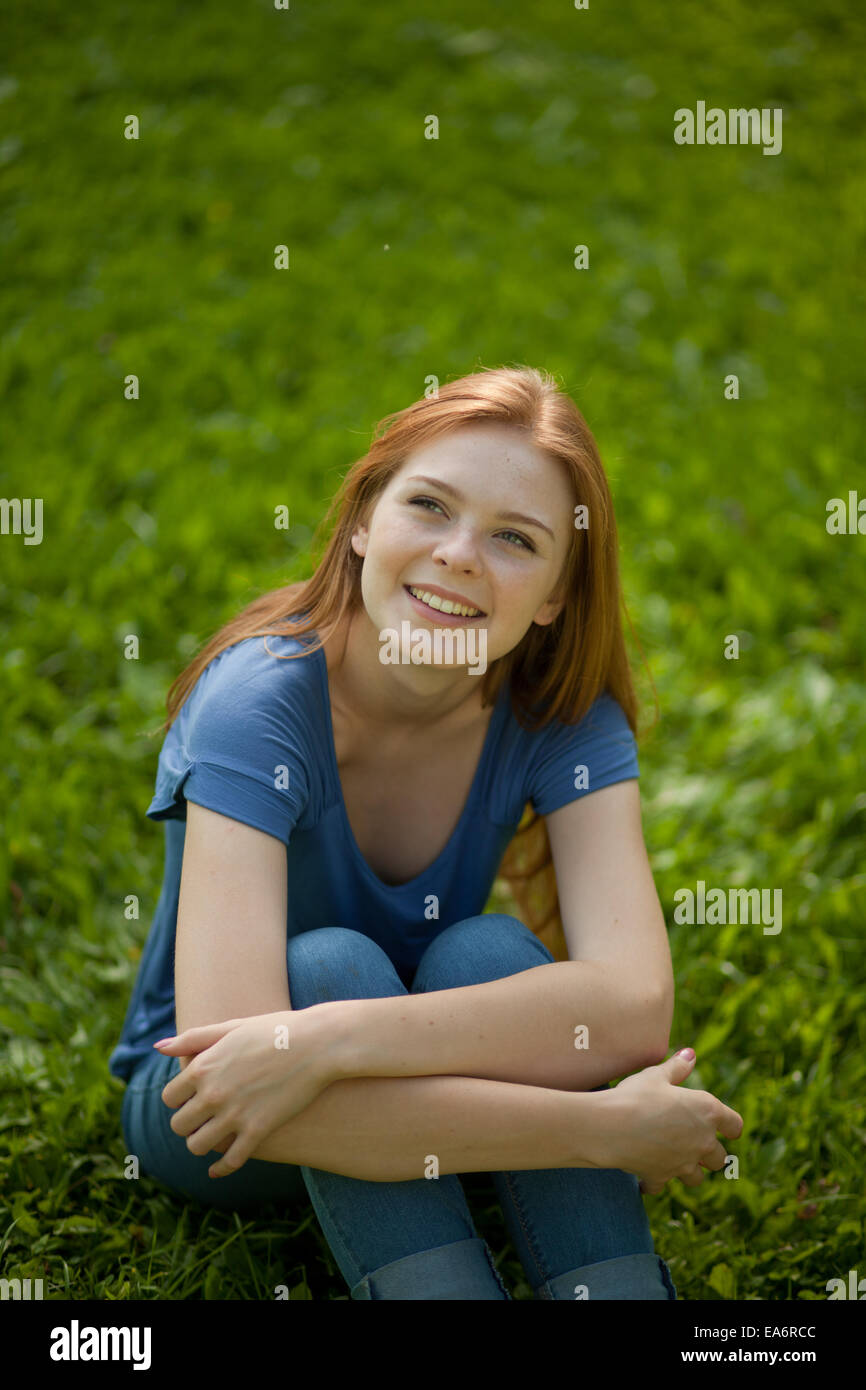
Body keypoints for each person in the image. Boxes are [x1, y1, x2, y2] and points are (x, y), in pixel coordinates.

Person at [109, 365, 743, 1300]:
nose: (457, 555)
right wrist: (599, 1131)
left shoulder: (559, 715)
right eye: (430, 507)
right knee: (326, 964)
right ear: (365, 521)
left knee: (485, 947)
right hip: (209, 1114)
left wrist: (334, 1041)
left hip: (382, 1050)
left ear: (559, 596)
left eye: (515, 539)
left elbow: (632, 1003)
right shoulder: (257, 706)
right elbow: (231, 1072)